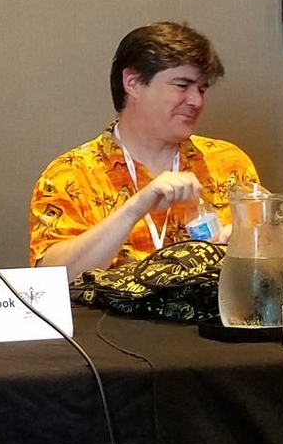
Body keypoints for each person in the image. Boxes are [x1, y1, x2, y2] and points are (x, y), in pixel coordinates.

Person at [29, 22, 260, 276]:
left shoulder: (229, 164)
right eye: (182, 86)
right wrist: (134, 209)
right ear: (133, 82)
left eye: (201, 89)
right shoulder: (71, 175)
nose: (196, 101)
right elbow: (48, 280)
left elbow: (273, 260)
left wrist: (249, 245)